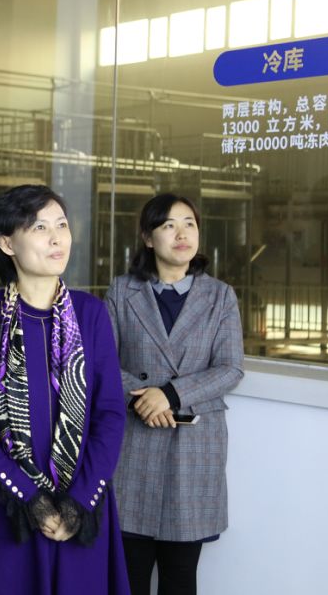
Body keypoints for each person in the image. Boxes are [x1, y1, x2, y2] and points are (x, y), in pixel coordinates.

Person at [0, 184, 129, 595]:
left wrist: (81, 499)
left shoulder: (90, 312)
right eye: (39, 227)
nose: (56, 238)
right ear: (6, 243)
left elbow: (109, 412)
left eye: (62, 225)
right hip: (6, 503)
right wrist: (26, 496)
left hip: (80, 502)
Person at [104, 193, 243, 595]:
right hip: (134, 445)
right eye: (168, 225)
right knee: (128, 575)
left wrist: (169, 393)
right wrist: (141, 398)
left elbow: (231, 367)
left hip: (193, 448)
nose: (182, 234)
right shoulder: (122, 291)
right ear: (148, 238)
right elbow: (100, 362)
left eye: (189, 224)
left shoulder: (220, 296)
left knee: (180, 577)